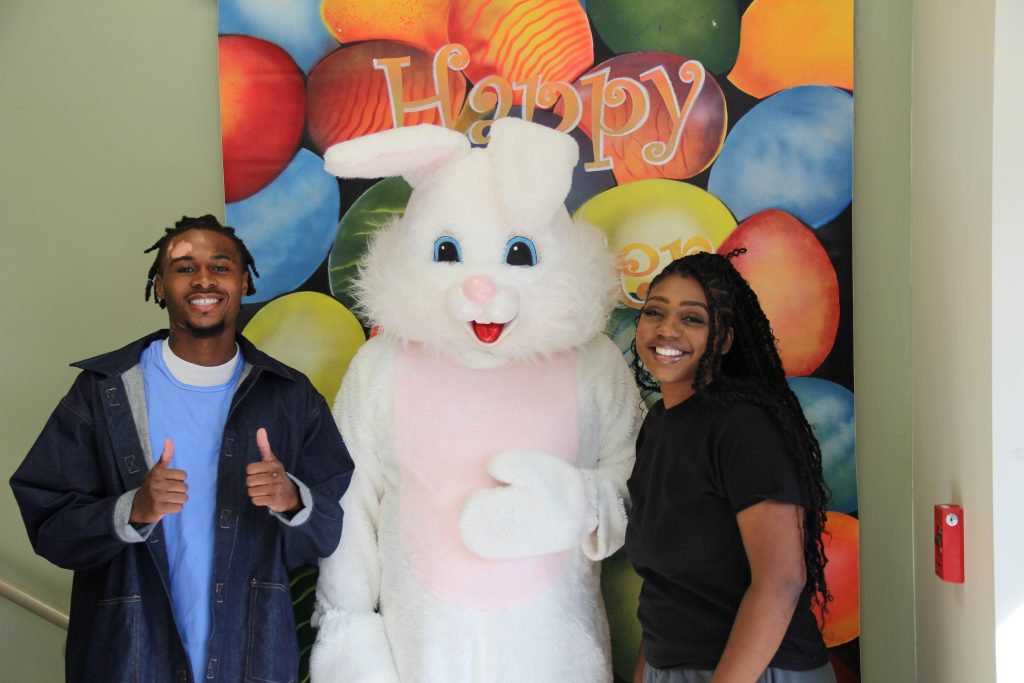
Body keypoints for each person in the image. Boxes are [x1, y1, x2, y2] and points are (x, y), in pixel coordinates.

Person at [10, 214, 354, 683]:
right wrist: (134, 508)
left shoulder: (291, 397)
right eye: (185, 267)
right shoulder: (103, 392)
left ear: (245, 281)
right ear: (158, 286)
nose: (205, 279)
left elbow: (329, 531)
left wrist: (292, 500)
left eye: (220, 266)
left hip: (249, 659)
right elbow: (50, 526)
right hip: (129, 659)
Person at [625, 250, 835, 683]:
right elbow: (667, 587)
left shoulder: (742, 428)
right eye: (655, 312)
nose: (667, 329)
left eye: (692, 319)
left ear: (723, 341)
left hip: (754, 670)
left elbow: (780, 580)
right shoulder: (657, 428)